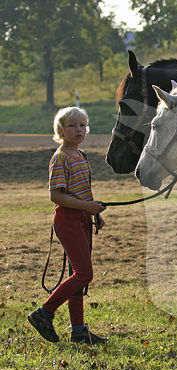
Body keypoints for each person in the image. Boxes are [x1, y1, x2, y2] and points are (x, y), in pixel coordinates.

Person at [28, 106, 107, 344]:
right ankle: (44, 313)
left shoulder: (80, 155)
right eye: (72, 126)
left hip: (82, 218)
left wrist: (94, 212)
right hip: (68, 220)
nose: (78, 130)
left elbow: (82, 191)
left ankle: (79, 330)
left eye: (82, 125)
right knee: (84, 274)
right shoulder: (60, 158)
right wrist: (86, 207)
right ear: (61, 131)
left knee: (79, 274)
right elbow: (56, 196)